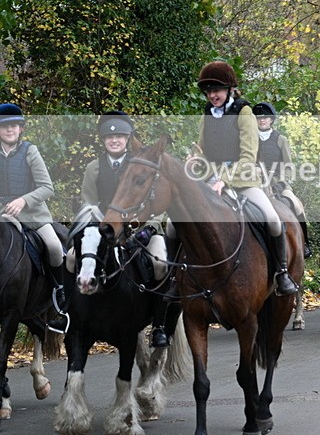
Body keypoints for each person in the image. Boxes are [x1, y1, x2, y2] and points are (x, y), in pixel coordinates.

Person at [196, 61, 297, 296]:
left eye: (217, 90)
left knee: (272, 218)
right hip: (210, 180)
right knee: (175, 222)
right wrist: (194, 160)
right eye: (209, 91)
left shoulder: (244, 112)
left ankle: (281, 273)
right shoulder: (206, 114)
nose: (212, 95)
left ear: (230, 89)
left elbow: (248, 157)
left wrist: (225, 180)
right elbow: (201, 150)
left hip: (243, 181)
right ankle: (176, 278)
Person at [71, 111, 173, 346]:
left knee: (160, 263)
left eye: (120, 137)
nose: (114, 141)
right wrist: (97, 230)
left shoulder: (141, 164)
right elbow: (88, 205)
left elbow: (157, 202)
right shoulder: (93, 168)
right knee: (71, 257)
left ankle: (158, 325)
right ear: (103, 140)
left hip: (139, 229)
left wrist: (150, 227)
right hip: (104, 232)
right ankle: (69, 313)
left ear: (128, 139)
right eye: (109, 137)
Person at [0, 104, 66, 331]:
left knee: (55, 247)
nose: (10, 130)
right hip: (2, 215)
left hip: (32, 215)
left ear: (21, 129)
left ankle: (60, 297)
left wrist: (23, 201)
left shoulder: (30, 151)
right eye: (5, 126)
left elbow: (47, 187)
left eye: (14, 126)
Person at [253, 102, 312, 259]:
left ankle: (305, 243)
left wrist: (281, 181)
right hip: (254, 181)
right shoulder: (250, 139)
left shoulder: (280, 140)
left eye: (265, 117)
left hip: (277, 181)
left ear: (271, 120)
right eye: (259, 118)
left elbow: (288, 165)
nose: (262, 120)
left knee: (296, 205)